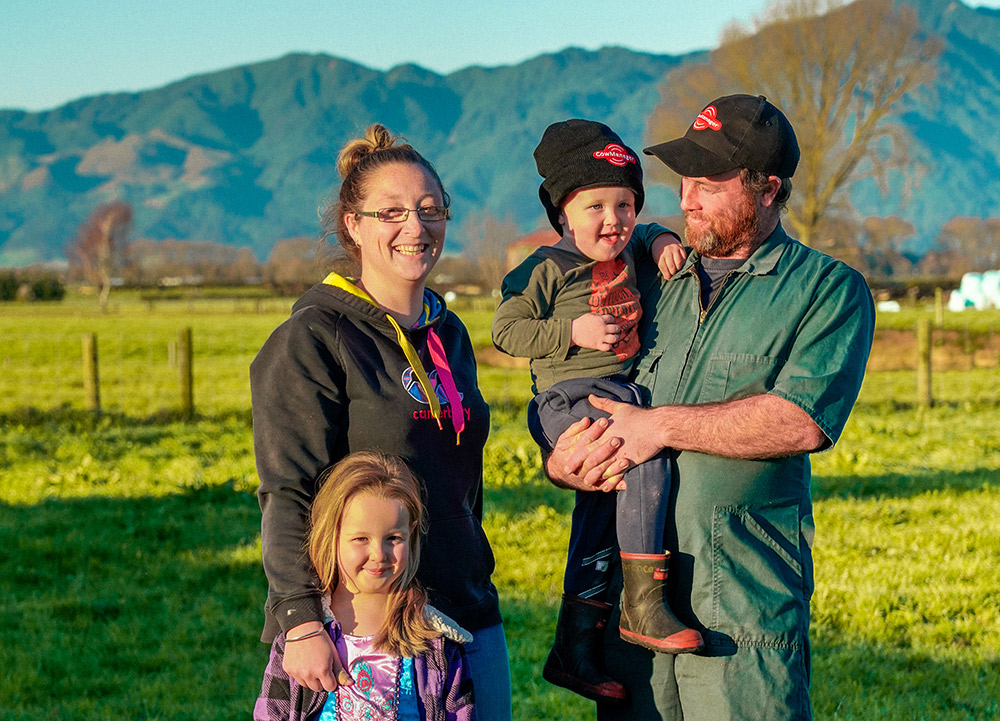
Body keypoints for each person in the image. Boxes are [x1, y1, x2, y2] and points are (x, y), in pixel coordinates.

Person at [544, 95, 876, 720]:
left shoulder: (827, 290)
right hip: (633, 607)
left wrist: (658, 425)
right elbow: (581, 379)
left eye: (708, 184)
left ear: (768, 189)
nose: (687, 199)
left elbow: (799, 420)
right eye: (684, 183)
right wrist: (564, 461)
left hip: (740, 609)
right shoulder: (648, 277)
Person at [250, 124, 511, 721]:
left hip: (467, 608)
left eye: (429, 210)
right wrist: (299, 618)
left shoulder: (451, 334)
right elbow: (288, 490)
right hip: (367, 628)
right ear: (354, 225)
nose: (415, 228)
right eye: (391, 212)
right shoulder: (313, 339)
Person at [491, 119, 699, 705]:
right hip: (567, 397)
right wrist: (572, 329)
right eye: (595, 206)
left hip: (617, 391)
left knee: (597, 521)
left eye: (626, 205)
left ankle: (575, 650)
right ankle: (643, 604)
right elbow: (506, 330)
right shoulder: (544, 269)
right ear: (563, 212)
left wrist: (658, 238)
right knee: (642, 458)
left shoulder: (634, 245)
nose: (613, 219)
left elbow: (649, 231)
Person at [254, 451, 477, 721]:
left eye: (393, 538)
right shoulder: (300, 639)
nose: (379, 554)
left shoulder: (438, 646)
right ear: (331, 535)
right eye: (361, 538)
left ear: (412, 533)